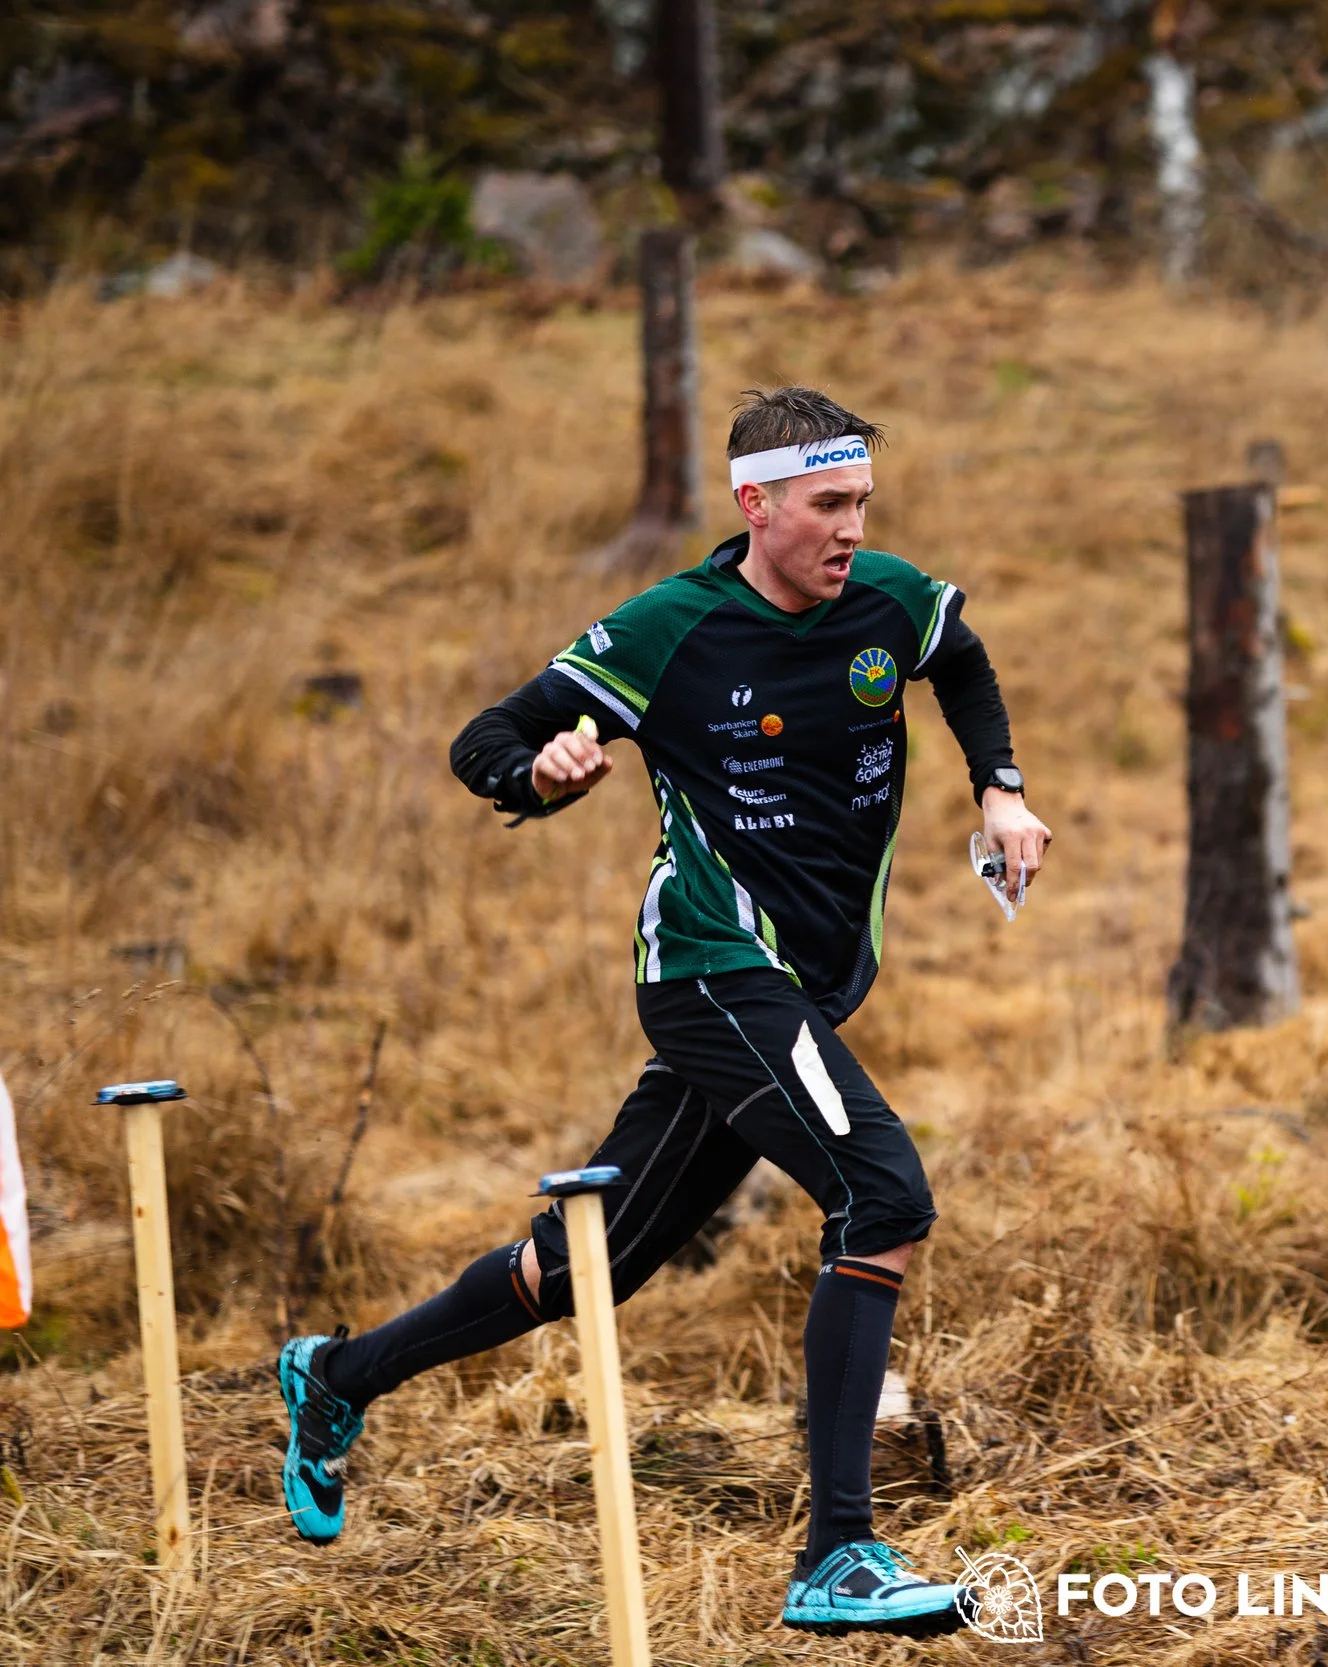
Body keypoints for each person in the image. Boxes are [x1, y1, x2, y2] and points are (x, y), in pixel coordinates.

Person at [273, 387, 1050, 1638]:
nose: (852, 529)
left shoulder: (889, 599)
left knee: (586, 1265)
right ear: (755, 505)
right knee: (885, 1194)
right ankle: (838, 1554)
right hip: (708, 966)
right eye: (826, 506)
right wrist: (539, 770)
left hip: (802, 983)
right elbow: (490, 735)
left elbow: (957, 653)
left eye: (861, 503)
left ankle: (336, 1374)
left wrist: (1001, 788)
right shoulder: (669, 629)